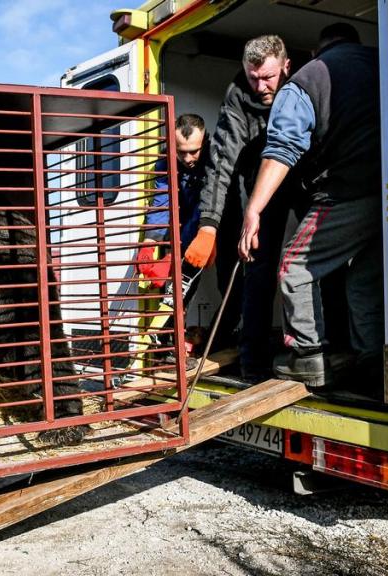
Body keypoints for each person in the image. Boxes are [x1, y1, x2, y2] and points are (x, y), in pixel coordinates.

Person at [238, 23, 383, 391]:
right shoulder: (384, 63)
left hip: (345, 191)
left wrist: (253, 209)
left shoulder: (307, 80)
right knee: (364, 280)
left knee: (295, 268)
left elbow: (282, 149)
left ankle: (308, 356)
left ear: (315, 52)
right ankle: (373, 362)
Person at [182, 34, 301, 383]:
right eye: (253, 77)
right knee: (257, 268)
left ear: (286, 66)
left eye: (268, 77)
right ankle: (254, 366)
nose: (261, 86)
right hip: (260, 189)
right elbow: (220, 164)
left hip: (304, 178)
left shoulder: (302, 89)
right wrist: (209, 224)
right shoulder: (237, 98)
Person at [139, 113, 212, 370]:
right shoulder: (165, 162)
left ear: (204, 142)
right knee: (177, 292)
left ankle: (221, 338)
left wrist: (208, 234)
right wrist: (149, 243)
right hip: (184, 232)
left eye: (194, 152)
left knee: (229, 285)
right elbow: (161, 201)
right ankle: (170, 350)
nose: (188, 159)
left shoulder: (214, 158)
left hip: (212, 226)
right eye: (181, 153)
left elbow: (210, 202)